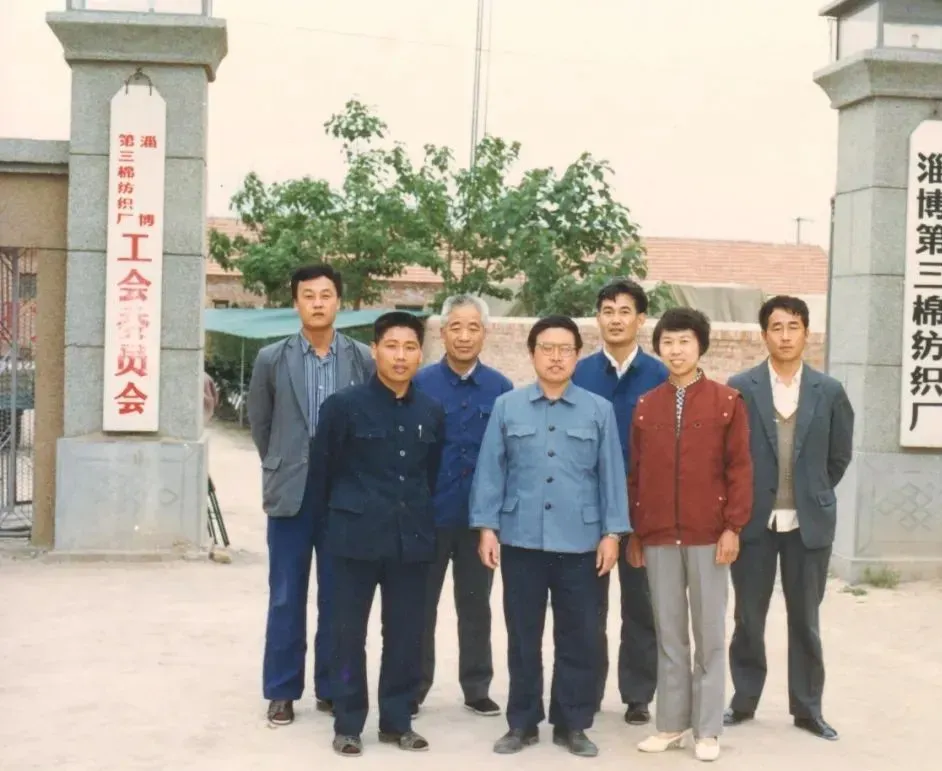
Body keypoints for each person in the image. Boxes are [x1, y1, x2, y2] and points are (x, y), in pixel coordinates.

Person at [470, 315, 630, 758]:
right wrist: (487, 528)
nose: (556, 357)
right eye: (547, 348)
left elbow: (611, 476)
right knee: (523, 636)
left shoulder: (598, 410)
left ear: (577, 356)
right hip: (521, 539)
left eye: (565, 349)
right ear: (532, 353)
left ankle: (572, 723)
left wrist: (613, 534)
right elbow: (491, 470)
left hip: (581, 542)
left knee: (579, 635)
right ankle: (521, 723)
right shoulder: (508, 406)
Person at [311, 311, 445, 757]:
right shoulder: (343, 407)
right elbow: (322, 474)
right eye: (391, 346)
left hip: (410, 540)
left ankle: (397, 721)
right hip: (354, 538)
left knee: (406, 634)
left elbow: (430, 473)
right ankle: (348, 723)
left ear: (421, 354)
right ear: (374, 350)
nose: (400, 356)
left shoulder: (431, 410)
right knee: (348, 634)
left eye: (410, 347)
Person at [247, 264, 374, 727]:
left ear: (339, 301)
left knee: (339, 598)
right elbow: (261, 425)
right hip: (291, 494)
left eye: (325, 295)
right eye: (308, 295)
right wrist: (284, 463)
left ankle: (333, 687)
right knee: (286, 595)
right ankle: (282, 690)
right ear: (295, 302)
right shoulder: (271, 359)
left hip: (344, 495)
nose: (317, 303)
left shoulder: (362, 358)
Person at [725, 296, 854, 742]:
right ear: (764, 335)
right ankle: (743, 701)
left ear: (806, 333)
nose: (784, 336)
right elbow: (728, 455)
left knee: (805, 621)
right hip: (754, 522)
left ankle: (808, 708)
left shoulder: (829, 390)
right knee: (748, 618)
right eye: (776, 327)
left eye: (793, 327)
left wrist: (812, 491)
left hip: (807, 524)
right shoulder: (740, 387)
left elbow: (839, 456)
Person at [627, 307, 752, 763]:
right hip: (658, 535)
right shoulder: (646, 405)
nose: (675, 350)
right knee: (669, 634)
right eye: (667, 341)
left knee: (710, 635)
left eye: (684, 341)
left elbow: (740, 469)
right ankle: (671, 724)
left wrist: (732, 527)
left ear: (701, 346)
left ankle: (708, 729)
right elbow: (636, 474)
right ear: (658, 347)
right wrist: (636, 532)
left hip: (708, 535)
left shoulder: (727, 401)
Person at [572, 279, 667, 723]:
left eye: (625, 311)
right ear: (597, 318)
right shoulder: (579, 373)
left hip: (644, 510)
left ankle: (637, 695)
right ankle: (586, 693)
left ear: (640, 319)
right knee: (587, 608)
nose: (615, 319)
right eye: (607, 311)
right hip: (588, 510)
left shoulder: (660, 376)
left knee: (641, 607)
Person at [413, 295, 512, 718]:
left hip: (479, 521)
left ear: (485, 333)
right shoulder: (420, 384)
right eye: (456, 327)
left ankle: (476, 688)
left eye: (473, 327)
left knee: (476, 606)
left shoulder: (501, 389)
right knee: (420, 607)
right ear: (442, 332)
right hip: (428, 516)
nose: (465, 336)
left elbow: (507, 456)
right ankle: (413, 687)